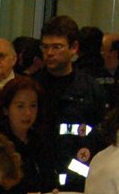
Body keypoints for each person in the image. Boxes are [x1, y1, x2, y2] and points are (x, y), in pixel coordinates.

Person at [0, 75, 76, 194]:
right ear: (6, 109)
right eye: (20, 106)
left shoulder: (41, 141)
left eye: (33, 106)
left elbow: (49, 179)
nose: (28, 113)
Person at [31, 15, 108, 168]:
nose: (49, 53)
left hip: (77, 178)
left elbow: (101, 137)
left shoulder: (90, 90)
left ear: (74, 48)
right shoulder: (31, 87)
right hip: (38, 176)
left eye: (57, 47)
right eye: (45, 47)